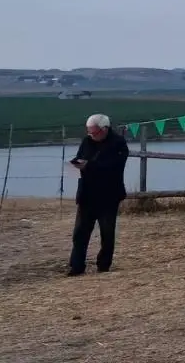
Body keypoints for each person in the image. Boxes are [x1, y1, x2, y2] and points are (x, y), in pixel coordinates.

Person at [68, 113, 129, 276]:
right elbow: (81, 156)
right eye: (89, 132)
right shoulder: (86, 141)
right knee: (80, 232)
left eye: (94, 132)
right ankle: (76, 266)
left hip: (109, 194)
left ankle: (103, 266)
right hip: (87, 193)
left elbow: (113, 167)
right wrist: (77, 162)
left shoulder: (119, 144)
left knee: (107, 232)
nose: (91, 135)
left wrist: (89, 166)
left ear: (104, 130)